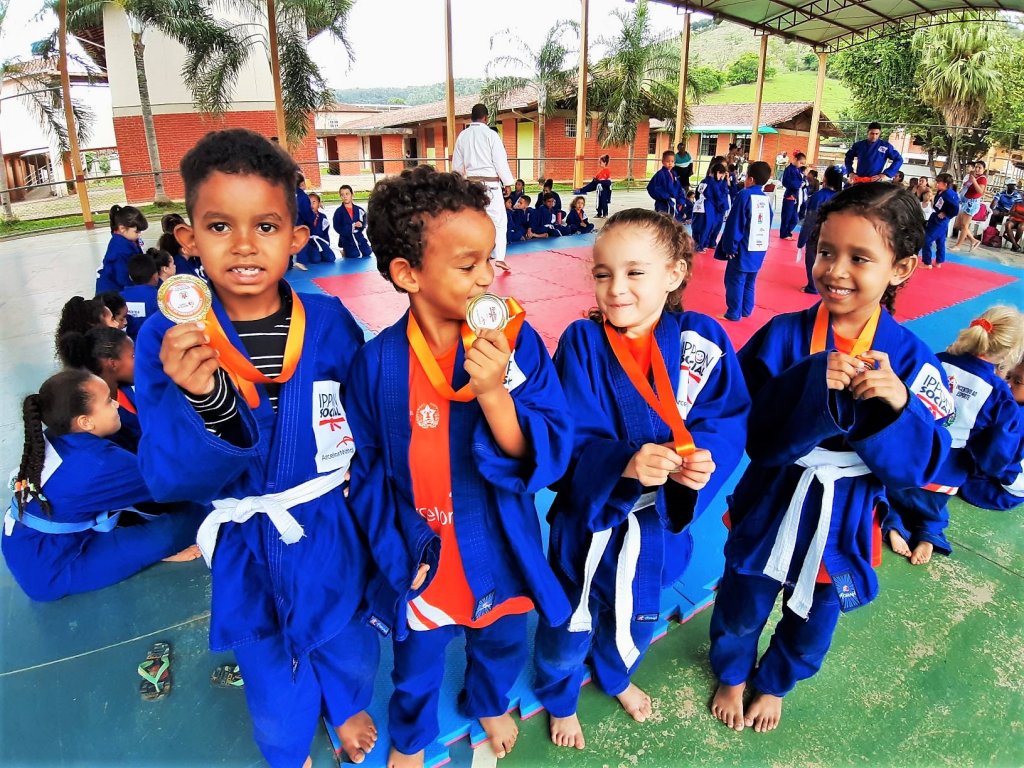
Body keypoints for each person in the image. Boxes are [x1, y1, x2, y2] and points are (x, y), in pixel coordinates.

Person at [133, 128, 380, 768]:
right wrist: (205, 401)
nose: (244, 244)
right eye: (220, 226)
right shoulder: (168, 336)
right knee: (269, 667)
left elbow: (362, 420)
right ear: (188, 238)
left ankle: (346, 704)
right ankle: (288, 747)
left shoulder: (328, 321)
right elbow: (166, 475)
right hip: (245, 538)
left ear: (297, 236)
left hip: (327, 520)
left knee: (347, 635)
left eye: (265, 226)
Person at [708, 183, 953, 734]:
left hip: (847, 515)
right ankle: (732, 673)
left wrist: (901, 406)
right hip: (773, 499)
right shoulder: (782, 335)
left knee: (816, 618)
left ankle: (776, 682)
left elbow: (925, 466)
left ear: (902, 268)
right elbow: (741, 420)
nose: (835, 270)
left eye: (859, 258)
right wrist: (805, 383)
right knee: (743, 600)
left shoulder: (912, 360)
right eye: (825, 251)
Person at [349, 165, 572, 768]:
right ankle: (411, 737)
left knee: (501, 639)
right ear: (407, 273)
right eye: (468, 264)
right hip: (422, 549)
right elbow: (366, 471)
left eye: (490, 260)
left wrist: (494, 392)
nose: (487, 277)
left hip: (499, 539)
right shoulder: (376, 365)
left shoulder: (515, 343)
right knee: (416, 663)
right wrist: (393, 550)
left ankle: (488, 700)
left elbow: (547, 449)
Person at [533, 208, 749, 750]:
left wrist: (703, 462)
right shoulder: (582, 342)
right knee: (569, 619)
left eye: (634, 272)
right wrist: (623, 464)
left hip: (659, 522)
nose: (616, 288)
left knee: (635, 613)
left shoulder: (703, 338)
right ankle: (560, 696)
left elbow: (726, 416)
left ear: (675, 273)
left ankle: (615, 676)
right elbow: (565, 432)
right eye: (602, 274)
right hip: (591, 522)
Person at [2, 369, 203, 602]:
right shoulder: (97, 463)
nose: (116, 404)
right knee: (193, 516)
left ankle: (137, 547)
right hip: (53, 567)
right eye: (108, 401)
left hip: (33, 540)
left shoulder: (62, 433)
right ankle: (152, 552)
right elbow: (182, 481)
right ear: (85, 422)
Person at [884, 307, 1024, 564]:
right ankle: (928, 534)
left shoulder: (935, 360)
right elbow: (998, 452)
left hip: (902, 462)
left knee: (883, 495)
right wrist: (979, 467)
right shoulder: (999, 396)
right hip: (944, 477)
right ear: (1009, 354)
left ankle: (891, 523)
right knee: (935, 513)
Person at [452, 103, 517, 272]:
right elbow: (500, 162)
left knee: (473, 222)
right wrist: (507, 183)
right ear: (486, 118)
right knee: (499, 222)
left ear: (471, 117)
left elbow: (457, 166)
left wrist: (458, 185)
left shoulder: (463, 136)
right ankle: (499, 257)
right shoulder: (491, 135)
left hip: (472, 186)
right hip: (491, 185)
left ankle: (471, 257)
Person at [57, 327, 140, 453]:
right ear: (113, 363)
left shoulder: (124, 389)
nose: (140, 360)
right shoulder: (106, 423)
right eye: (133, 356)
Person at [958, 355, 1024, 511]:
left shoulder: (1017, 419)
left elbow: (1009, 467)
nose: (1008, 384)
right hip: (994, 470)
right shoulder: (1008, 404)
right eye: (1008, 377)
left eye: (1017, 382)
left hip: (997, 490)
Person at [714, 161, 774, 321]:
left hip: (743, 248)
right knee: (750, 281)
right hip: (758, 248)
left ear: (751, 179)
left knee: (735, 280)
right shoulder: (765, 199)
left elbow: (735, 223)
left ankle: (733, 312)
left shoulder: (744, 195)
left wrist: (730, 247)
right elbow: (768, 222)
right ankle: (746, 310)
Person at [798, 166, 844, 294]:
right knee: (833, 262)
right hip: (838, 236)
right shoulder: (843, 197)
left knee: (813, 261)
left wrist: (802, 240)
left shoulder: (818, 196)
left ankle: (813, 287)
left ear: (826, 178)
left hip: (818, 235)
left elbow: (810, 220)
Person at [95, 204, 147, 293]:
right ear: (122, 228)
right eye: (137, 232)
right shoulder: (119, 251)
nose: (139, 235)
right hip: (111, 293)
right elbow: (122, 278)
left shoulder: (129, 240)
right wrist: (137, 291)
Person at [55, 296, 118, 364]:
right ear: (94, 324)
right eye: (112, 319)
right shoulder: (101, 362)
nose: (117, 324)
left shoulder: (77, 360)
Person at [921, 173, 959, 269]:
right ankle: (938, 262)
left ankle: (927, 263)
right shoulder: (941, 191)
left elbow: (955, 209)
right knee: (940, 240)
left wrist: (946, 213)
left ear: (945, 184)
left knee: (926, 240)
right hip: (936, 216)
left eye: (938, 182)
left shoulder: (950, 194)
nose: (936, 184)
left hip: (941, 220)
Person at [121, 251, 161, 341]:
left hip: (127, 344)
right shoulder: (161, 298)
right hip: (155, 344)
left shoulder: (119, 298)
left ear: (130, 277)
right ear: (155, 276)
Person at [692, 162, 729, 252]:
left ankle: (698, 244)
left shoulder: (703, 181)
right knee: (707, 226)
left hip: (699, 205)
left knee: (698, 224)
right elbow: (719, 196)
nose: (721, 177)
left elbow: (697, 194)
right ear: (718, 172)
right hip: (708, 206)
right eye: (721, 175)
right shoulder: (713, 183)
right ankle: (701, 245)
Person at [952, 160, 988, 252]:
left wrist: (974, 181)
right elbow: (965, 186)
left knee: (965, 225)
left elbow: (980, 191)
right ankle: (973, 240)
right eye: (976, 167)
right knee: (959, 225)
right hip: (965, 201)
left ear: (984, 169)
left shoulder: (982, 179)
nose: (977, 169)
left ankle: (958, 245)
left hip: (972, 203)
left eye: (980, 167)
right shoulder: (973, 176)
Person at [332, 184, 374, 261]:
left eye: (347, 194)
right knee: (354, 254)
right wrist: (350, 227)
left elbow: (364, 221)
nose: (345, 196)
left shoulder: (359, 210)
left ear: (352, 194)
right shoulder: (339, 212)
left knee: (367, 252)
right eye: (342, 195)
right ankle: (344, 251)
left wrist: (361, 225)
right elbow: (336, 226)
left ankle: (363, 247)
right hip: (346, 238)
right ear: (340, 196)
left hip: (358, 236)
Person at [292, 173, 318, 270]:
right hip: (299, 224)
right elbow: (307, 213)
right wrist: (313, 216)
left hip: (286, 224)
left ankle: (287, 263)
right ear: (302, 183)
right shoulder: (303, 197)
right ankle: (301, 261)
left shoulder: (285, 193)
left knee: (286, 244)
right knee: (302, 240)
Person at [647, 150, 683, 218]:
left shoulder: (674, 174)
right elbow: (652, 188)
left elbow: (679, 189)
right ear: (663, 162)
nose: (670, 163)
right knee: (663, 220)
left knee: (674, 221)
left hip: (674, 203)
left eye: (672, 161)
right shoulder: (660, 174)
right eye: (668, 161)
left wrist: (681, 200)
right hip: (663, 204)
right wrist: (666, 197)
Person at [779, 153, 806, 240]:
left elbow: (802, 181)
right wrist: (798, 184)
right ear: (795, 159)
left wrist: (803, 183)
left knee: (794, 219)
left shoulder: (799, 170)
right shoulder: (789, 169)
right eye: (800, 163)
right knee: (786, 217)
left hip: (797, 197)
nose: (801, 165)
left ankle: (788, 232)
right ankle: (784, 234)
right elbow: (785, 182)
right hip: (789, 196)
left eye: (803, 163)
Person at [307, 192, 337, 263]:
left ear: (319, 204)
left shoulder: (323, 217)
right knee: (316, 259)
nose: (311, 205)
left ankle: (320, 253)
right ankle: (309, 253)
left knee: (331, 258)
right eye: (309, 203)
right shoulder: (304, 216)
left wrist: (327, 244)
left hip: (320, 241)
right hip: (309, 243)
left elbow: (325, 232)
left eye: (314, 202)